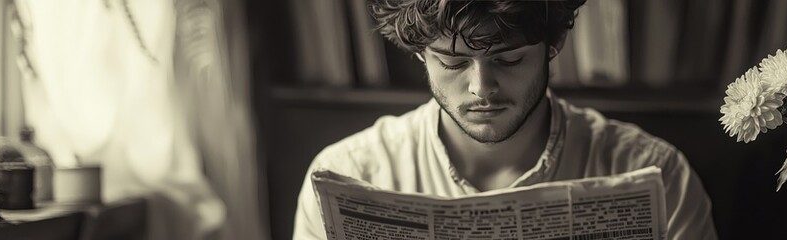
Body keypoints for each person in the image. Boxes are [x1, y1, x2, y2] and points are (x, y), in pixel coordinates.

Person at [293, 0, 717, 239]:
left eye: (508, 58)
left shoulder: (658, 174)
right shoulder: (348, 173)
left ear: (555, 44)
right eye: (453, 63)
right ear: (420, 52)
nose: (482, 87)